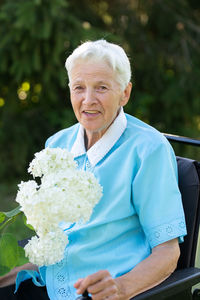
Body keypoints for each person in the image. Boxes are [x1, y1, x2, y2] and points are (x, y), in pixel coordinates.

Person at [0, 39, 186, 300]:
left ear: (125, 93)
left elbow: (168, 253)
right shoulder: (56, 145)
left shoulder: (149, 150)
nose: (88, 100)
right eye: (79, 87)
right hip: (48, 283)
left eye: (101, 88)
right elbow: (56, 243)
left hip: (103, 290)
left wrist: (122, 288)